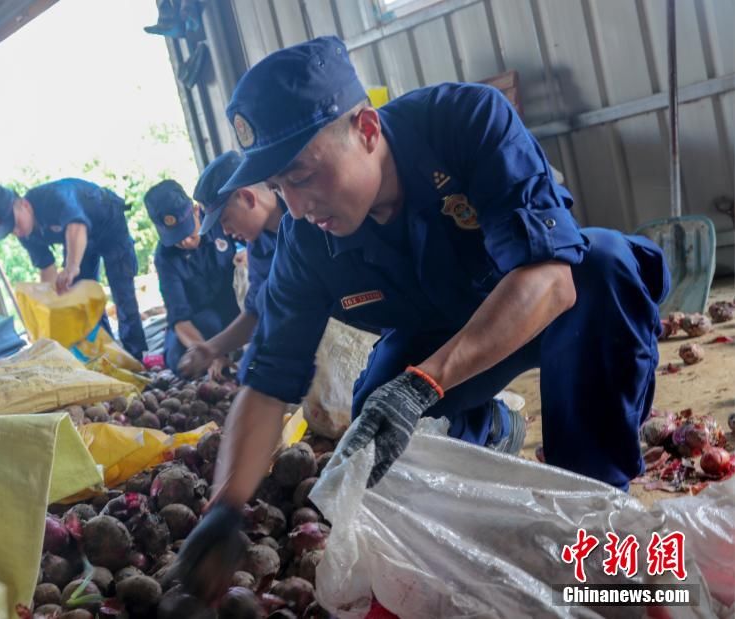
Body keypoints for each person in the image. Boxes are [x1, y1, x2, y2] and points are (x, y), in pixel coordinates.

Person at [169, 36, 668, 598]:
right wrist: (225, 506)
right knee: (375, 432)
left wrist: (424, 384)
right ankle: (491, 429)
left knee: (600, 266)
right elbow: (265, 385)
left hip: (547, 306)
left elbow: (550, 278)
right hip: (441, 336)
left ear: (366, 130)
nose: (298, 206)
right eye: (280, 187)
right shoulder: (304, 245)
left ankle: (596, 512)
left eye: (303, 175)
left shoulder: (463, 121)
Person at [0, 179, 148, 360]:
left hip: (109, 225)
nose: (16, 232)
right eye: (10, 230)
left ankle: (135, 355)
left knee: (122, 291)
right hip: (79, 241)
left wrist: (71, 266)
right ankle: (106, 356)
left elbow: (77, 226)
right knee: (80, 300)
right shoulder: (26, 235)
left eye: (16, 224)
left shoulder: (53, 197)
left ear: (24, 205)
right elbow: (46, 268)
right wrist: (50, 306)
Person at [177, 151, 286, 380]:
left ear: (247, 198)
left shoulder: (310, 214)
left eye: (225, 220)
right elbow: (257, 311)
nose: (225, 232)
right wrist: (210, 349)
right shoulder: (257, 248)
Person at [144, 179, 239, 375]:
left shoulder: (222, 221)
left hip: (237, 310)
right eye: (176, 239)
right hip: (201, 320)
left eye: (188, 232)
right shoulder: (164, 257)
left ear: (196, 211)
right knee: (177, 358)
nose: (186, 241)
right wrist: (206, 353)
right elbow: (179, 317)